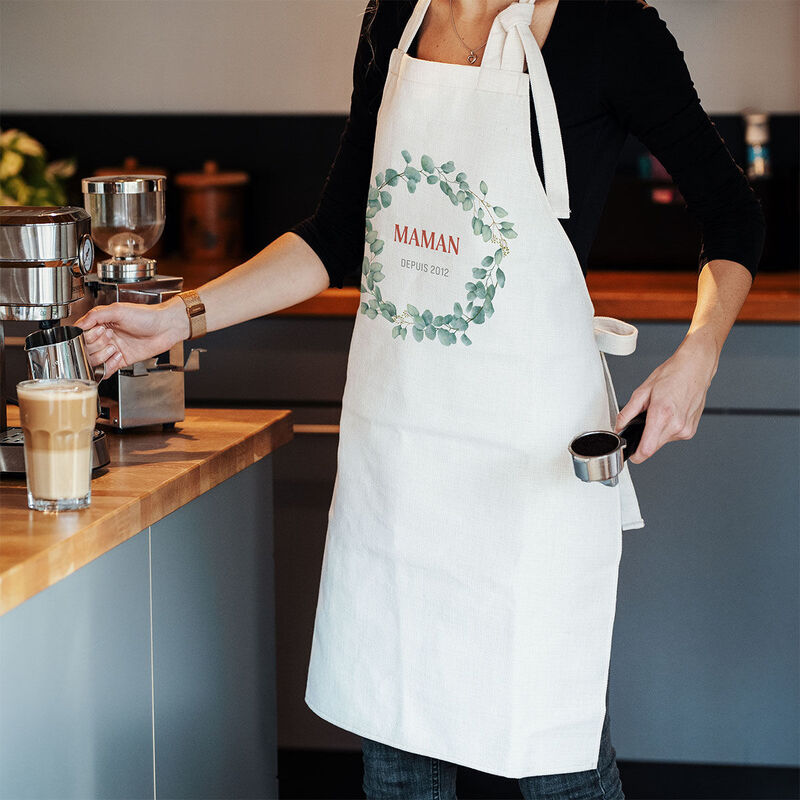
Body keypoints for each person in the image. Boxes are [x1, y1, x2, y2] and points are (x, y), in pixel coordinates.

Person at [76, 0, 764, 797]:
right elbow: (338, 234)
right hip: (403, 458)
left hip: (530, 467)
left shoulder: (609, 27)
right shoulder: (395, 15)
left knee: (555, 759)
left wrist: (697, 357)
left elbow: (733, 212)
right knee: (401, 757)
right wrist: (175, 317)